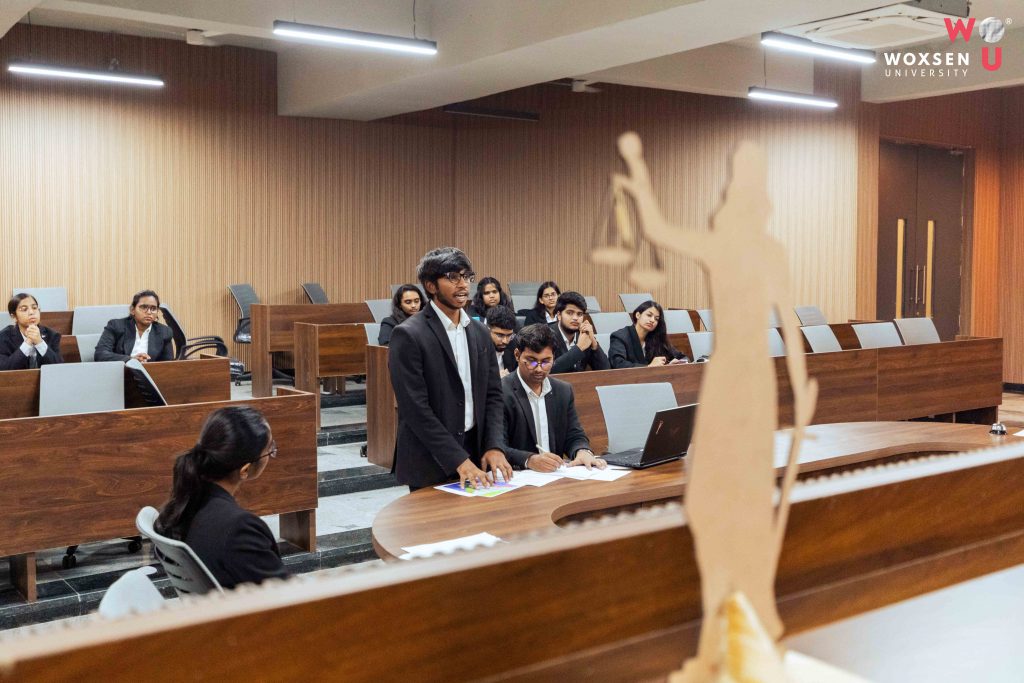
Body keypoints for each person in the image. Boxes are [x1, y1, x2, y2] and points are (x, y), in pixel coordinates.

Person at [388, 247, 511, 491]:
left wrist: (494, 445)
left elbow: (493, 395)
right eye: (453, 277)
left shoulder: (480, 332)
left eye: (466, 276)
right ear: (431, 286)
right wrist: (458, 460)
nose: (463, 284)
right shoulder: (408, 335)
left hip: (475, 452)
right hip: (430, 459)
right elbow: (415, 409)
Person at [155, 406, 288, 589]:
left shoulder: (185, 503)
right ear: (245, 470)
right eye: (270, 450)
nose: (272, 453)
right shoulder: (239, 529)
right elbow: (286, 596)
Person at [501, 323, 605, 472]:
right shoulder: (501, 391)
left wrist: (582, 451)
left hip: (555, 474)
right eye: (531, 361)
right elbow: (496, 446)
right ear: (517, 355)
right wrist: (529, 460)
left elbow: (574, 434)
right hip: (517, 475)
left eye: (546, 361)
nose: (538, 368)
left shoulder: (563, 390)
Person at [94, 290, 174, 363]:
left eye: (153, 308)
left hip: (149, 373)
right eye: (144, 307)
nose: (149, 312)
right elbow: (100, 354)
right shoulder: (116, 326)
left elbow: (168, 363)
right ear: (132, 310)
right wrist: (131, 359)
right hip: (121, 371)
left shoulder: (165, 332)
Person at [608, 300, 688, 368]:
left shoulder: (656, 338)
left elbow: (682, 357)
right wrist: (648, 367)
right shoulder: (620, 336)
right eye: (649, 315)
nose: (652, 320)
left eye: (656, 319)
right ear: (638, 315)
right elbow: (618, 363)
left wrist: (675, 364)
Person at [549, 291, 610, 374]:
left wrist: (593, 342)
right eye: (570, 313)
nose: (575, 318)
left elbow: (605, 370)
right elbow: (549, 370)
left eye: (579, 314)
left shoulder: (584, 335)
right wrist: (579, 348)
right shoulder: (546, 335)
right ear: (559, 315)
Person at [0, 293, 63, 370]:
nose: (31, 312)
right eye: (24, 309)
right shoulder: (3, 337)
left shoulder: (52, 335)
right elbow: (4, 369)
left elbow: (59, 368)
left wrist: (39, 342)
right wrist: (27, 343)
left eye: (34, 308)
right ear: (14, 316)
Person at [484, 305, 517, 377]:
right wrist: (495, 377)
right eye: (500, 335)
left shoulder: (515, 345)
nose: (505, 341)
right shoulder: (477, 349)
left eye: (509, 335)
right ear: (487, 330)